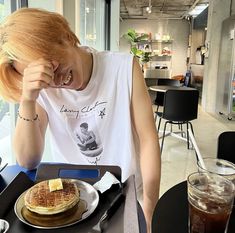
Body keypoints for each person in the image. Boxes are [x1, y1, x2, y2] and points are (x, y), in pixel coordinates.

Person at [0, 8, 161, 232]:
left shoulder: (123, 68)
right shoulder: (43, 90)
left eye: (52, 66)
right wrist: (28, 98)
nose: (55, 81)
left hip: (126, 194)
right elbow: (28, 161)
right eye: (42, 77)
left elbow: (147, 140)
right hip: (71, 202)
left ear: (65, 36)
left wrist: (150, 207)